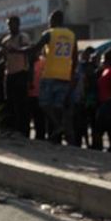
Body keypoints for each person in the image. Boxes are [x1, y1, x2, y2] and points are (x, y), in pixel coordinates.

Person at [34, 10, 77, 145]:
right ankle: (55, 136)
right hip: (64, 76)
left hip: (50, 74)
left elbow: (35, 48)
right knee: (57, 106)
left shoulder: (49, 33)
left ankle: (58, 126)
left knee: (44, 104)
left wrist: (19, 50)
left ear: (53, 20)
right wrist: (72, 74)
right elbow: (75, 57)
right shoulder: (71, 35)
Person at [0, 15, 33, 137]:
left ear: (18, 24)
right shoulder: (5, 40)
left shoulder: (22, 37)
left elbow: (28, 49)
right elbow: (2, 57)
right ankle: (12, 128)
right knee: (10, 102)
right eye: (8, 24)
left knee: (21, 103)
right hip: (9, 73)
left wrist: (16, 50)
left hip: (21, 73)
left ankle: (23, 130)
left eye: (12, 24)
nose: (10, 27)